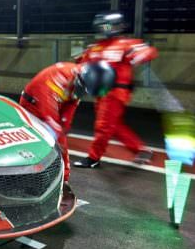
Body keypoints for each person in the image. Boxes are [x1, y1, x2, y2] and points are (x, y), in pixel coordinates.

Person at [73, 12, 158, 169]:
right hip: (101, 92)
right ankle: (141, 150)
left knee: (103, 126)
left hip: (116, 92)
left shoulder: (126, 44)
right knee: (114, 126)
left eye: (106, 26)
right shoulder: (96, 47)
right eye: (101, 26)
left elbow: (149, 51)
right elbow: (81, 63)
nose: (103, 29)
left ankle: (93, 158)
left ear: (116, 26)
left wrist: (139, 56)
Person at [20, 61, 116, 182]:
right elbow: (48, 112)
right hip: (34, 105)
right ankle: (51, 177)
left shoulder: (81, 79)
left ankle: (60, 177)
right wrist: (59, 131)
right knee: (46, 140)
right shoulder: (56, 79)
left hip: (57, 102)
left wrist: (65, 125)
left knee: (60, 134)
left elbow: (72, 102)